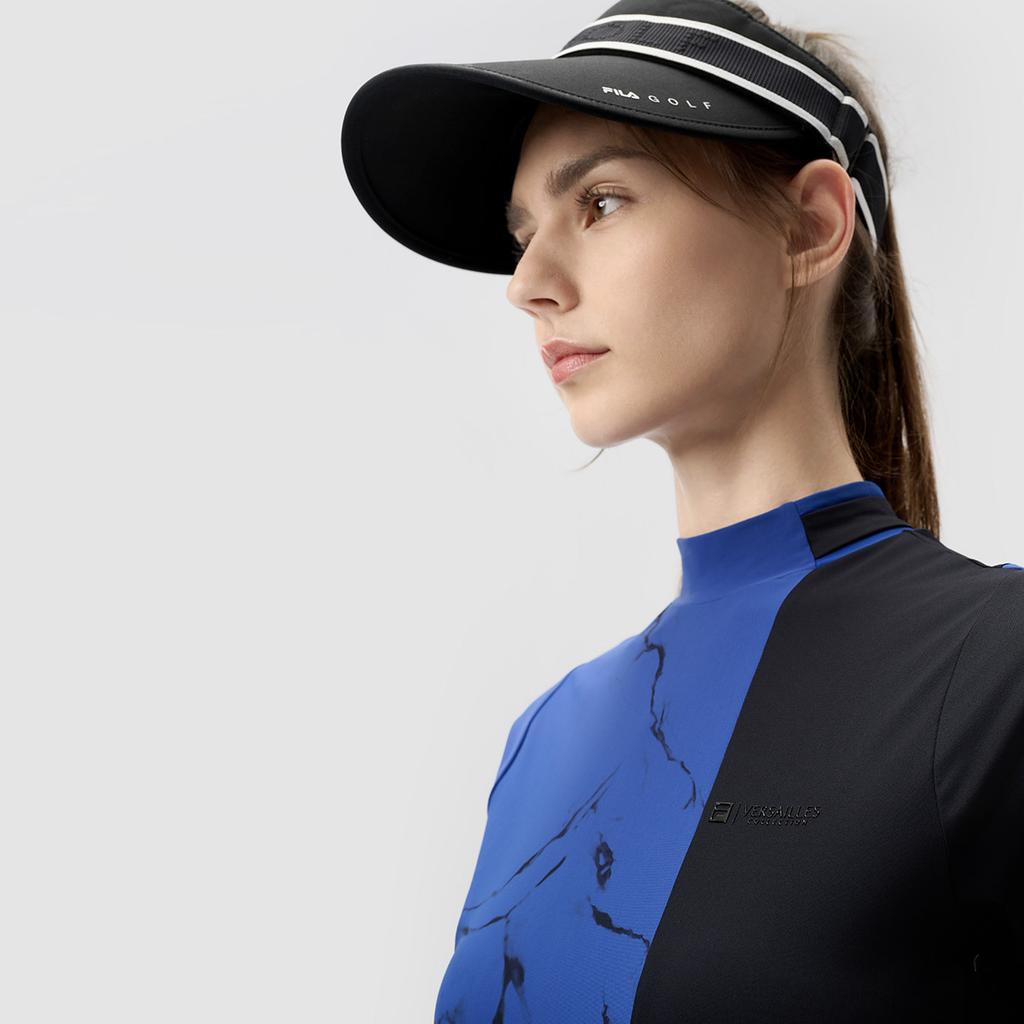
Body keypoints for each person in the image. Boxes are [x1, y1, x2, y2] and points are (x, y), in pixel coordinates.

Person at [340, 1, 1024, 1019]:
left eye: (602, 202)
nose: (528, 282)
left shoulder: (996, 669)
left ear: (811, 225)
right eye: (524, 234)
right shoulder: (542, 740)